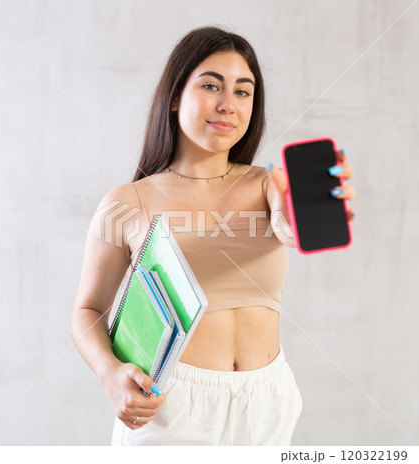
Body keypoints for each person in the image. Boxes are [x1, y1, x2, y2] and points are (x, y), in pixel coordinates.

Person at [71, 26, 356, 446]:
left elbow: (288, 226)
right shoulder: (126, 202)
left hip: (267, 399)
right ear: (174, 97)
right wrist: (111, 375)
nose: (228, 104)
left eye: (243, 92)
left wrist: (315, 208)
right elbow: (88, 310)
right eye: (211, 86)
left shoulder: (268, 184)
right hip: (171, 403)